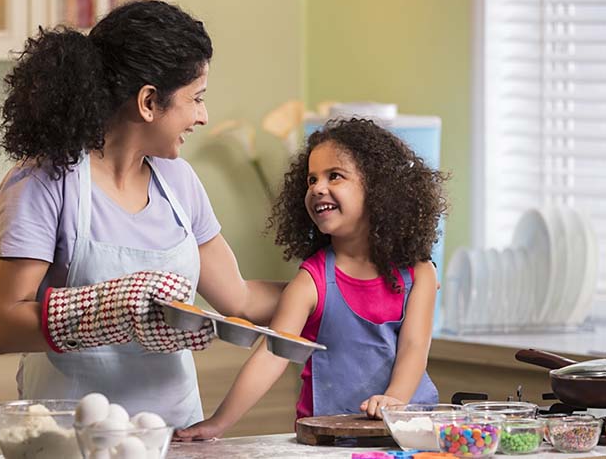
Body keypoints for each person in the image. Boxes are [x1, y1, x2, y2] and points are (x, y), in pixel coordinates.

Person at [0, 0, 283, 429]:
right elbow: (3, 325)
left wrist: (330, 287)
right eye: (195, 99)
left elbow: (238, 299)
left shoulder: (179, 182)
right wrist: (110, 310)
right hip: (72, 439)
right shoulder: (43, 182)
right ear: (148, 102)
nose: (203, 116)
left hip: (176, 435)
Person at [176, 117, 450, 440]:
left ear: (378, 188)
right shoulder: (311, 281)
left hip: (407, 436)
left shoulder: (420, 273)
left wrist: (394, 401)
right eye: (311, 179)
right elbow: (272, 354)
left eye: (334, 176)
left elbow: (414, 348)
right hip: (328, 443)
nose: (318, 187)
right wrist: (217, 423)